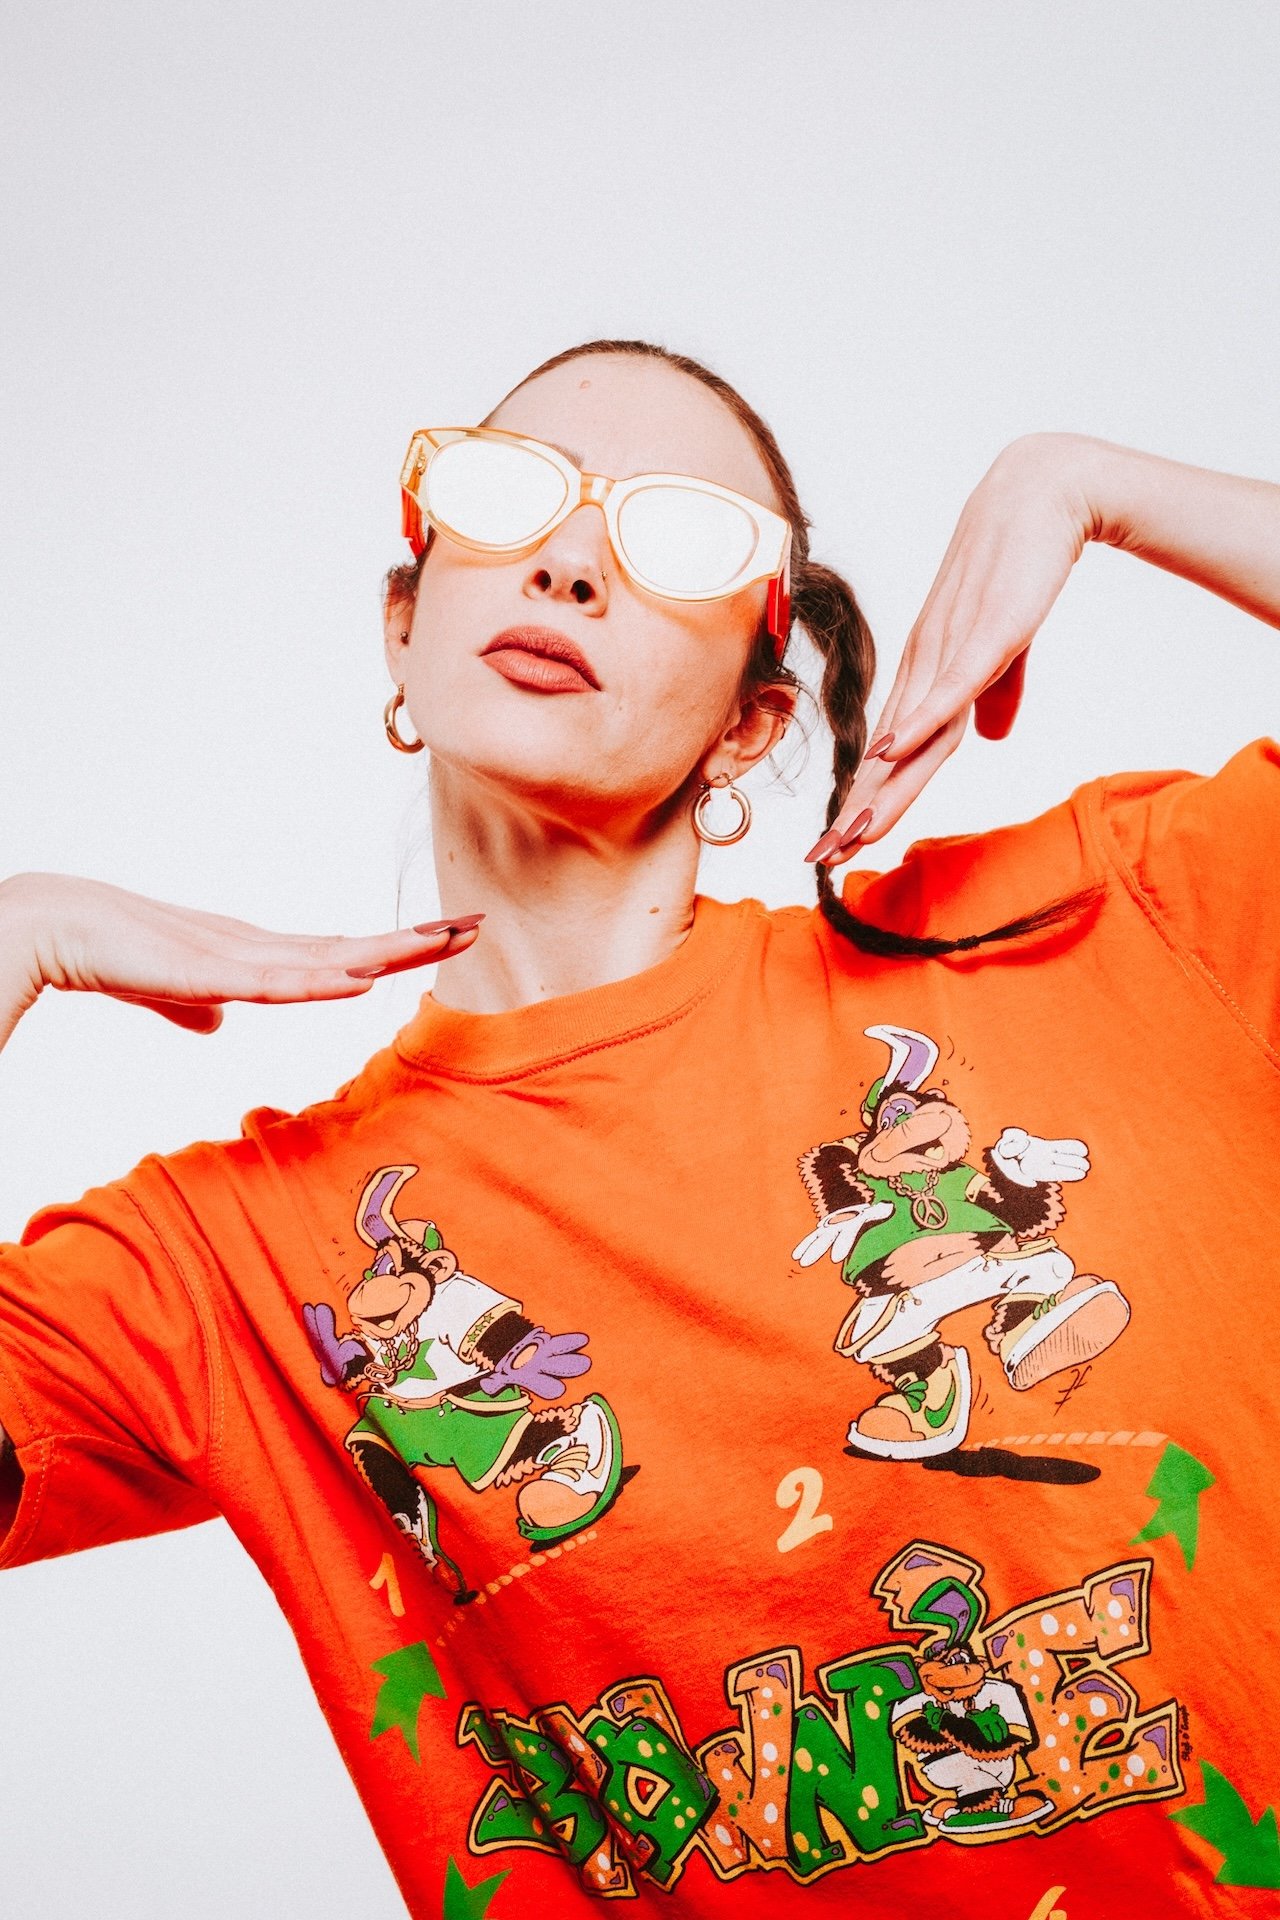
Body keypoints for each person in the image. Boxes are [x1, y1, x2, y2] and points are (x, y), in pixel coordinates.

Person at [1, 337, 1277, 1918]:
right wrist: (14, 935)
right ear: (403, 630)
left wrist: (1091, 483)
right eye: (507, 496)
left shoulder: (1093, 923)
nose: (567, 564)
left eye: (679, 538)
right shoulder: (236, 1267)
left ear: (751, 723)